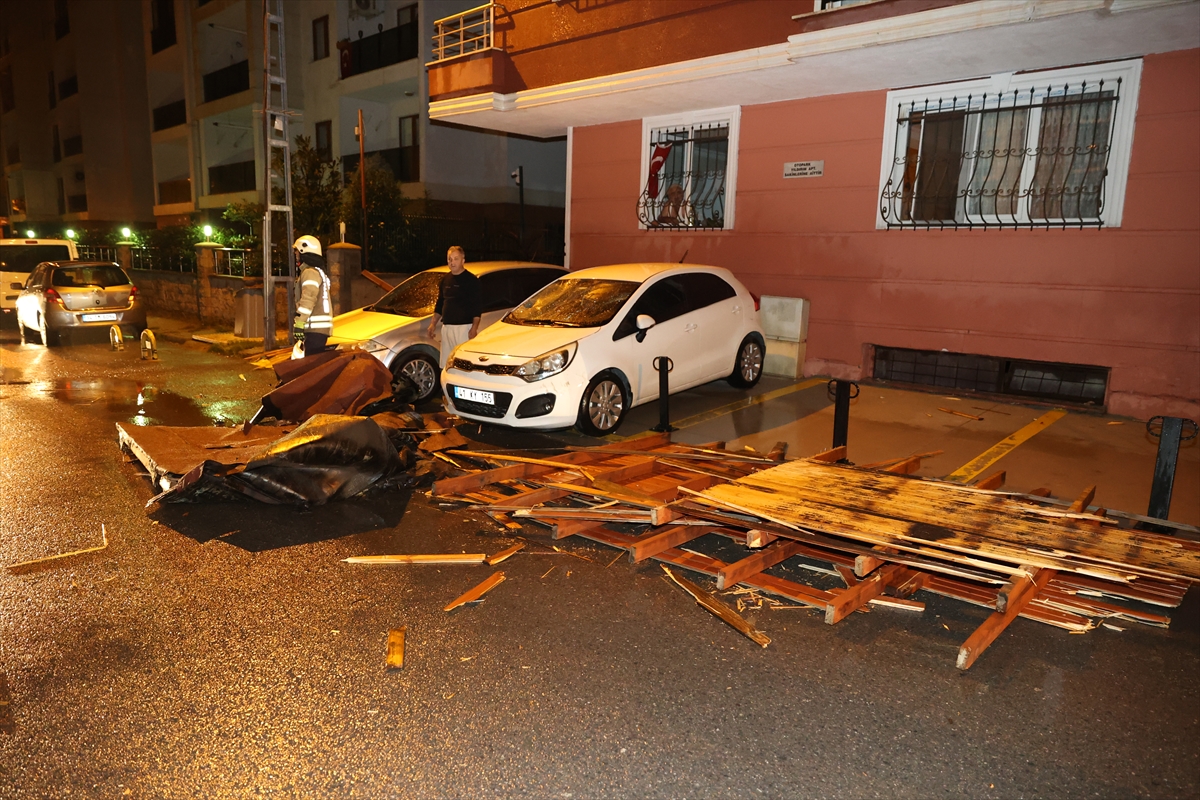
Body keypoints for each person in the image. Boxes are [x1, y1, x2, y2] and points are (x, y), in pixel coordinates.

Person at [427, 245, 481, 371]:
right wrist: (433, 324)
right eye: (449, 259)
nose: (452, 262)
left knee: (463, 364)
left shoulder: (472, 281)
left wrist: (474, 328)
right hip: (447, 328)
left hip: (464, 328)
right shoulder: (445, 280)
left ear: (463, 260)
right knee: (447, 364)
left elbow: (477, 306)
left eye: (456, 259)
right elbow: (440, 304)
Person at [292, 235, 332, 356]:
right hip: (319, 330)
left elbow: (308, 298)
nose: (296, 254)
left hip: (314, 329)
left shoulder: (309, 272)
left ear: (304, 252)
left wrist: (299, 323)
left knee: (311, 364)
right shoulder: (318, 272)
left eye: (297, 251)